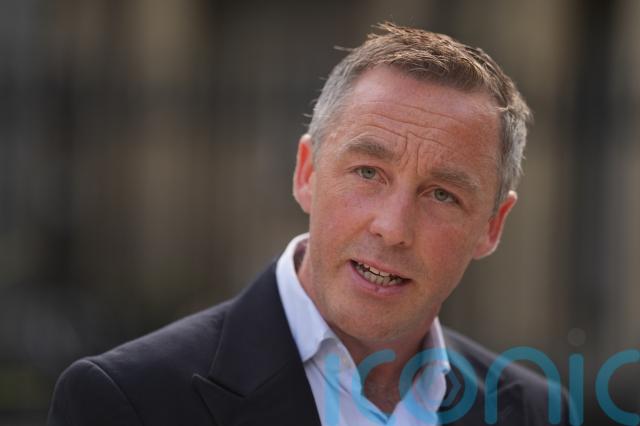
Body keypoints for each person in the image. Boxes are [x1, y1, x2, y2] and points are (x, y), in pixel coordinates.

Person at [48, 23, 571, 425]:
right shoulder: (128, 400)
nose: (392, 228)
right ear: (306, 173)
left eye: (442, 195)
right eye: (368, 172)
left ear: (492, 226)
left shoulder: (537, 411)